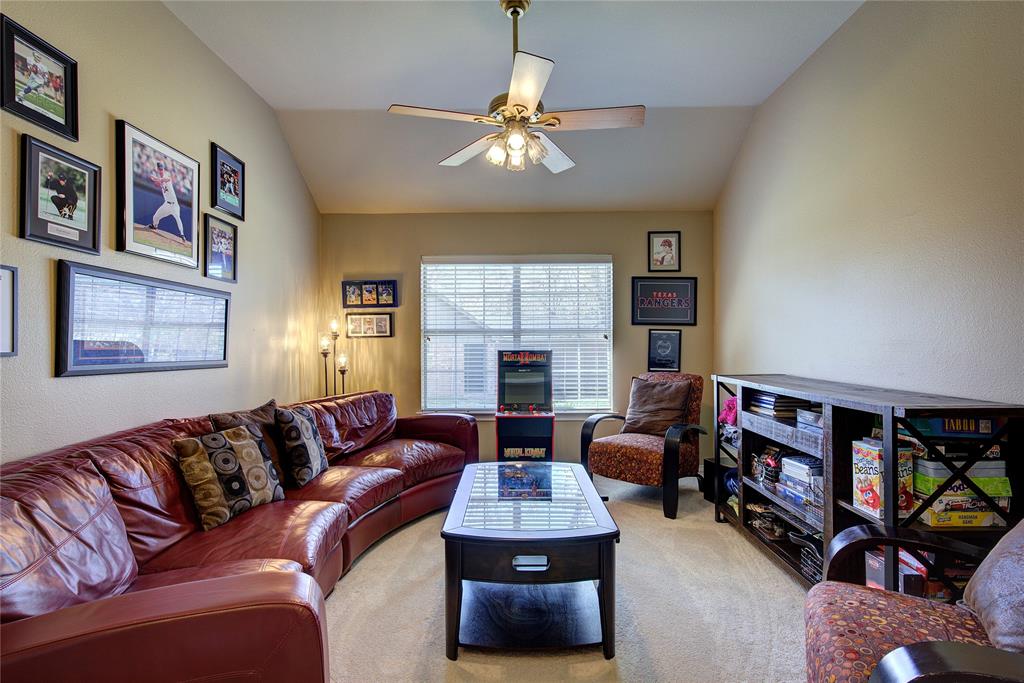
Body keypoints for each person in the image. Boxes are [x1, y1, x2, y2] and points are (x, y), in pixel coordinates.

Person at [145, 161, 187, 242]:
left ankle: (182, 234)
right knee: (155, 217)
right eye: (159, 169)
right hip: (166, 204)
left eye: (162, 169)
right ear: (158, 169)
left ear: (163, 168)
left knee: (178, 218)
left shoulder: (166, 174)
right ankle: (154, 226)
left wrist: (157, 179)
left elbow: (167, 179)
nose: (161, 170)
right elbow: (158, 183)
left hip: (174, 205)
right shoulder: (159, 176)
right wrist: (155, 180)